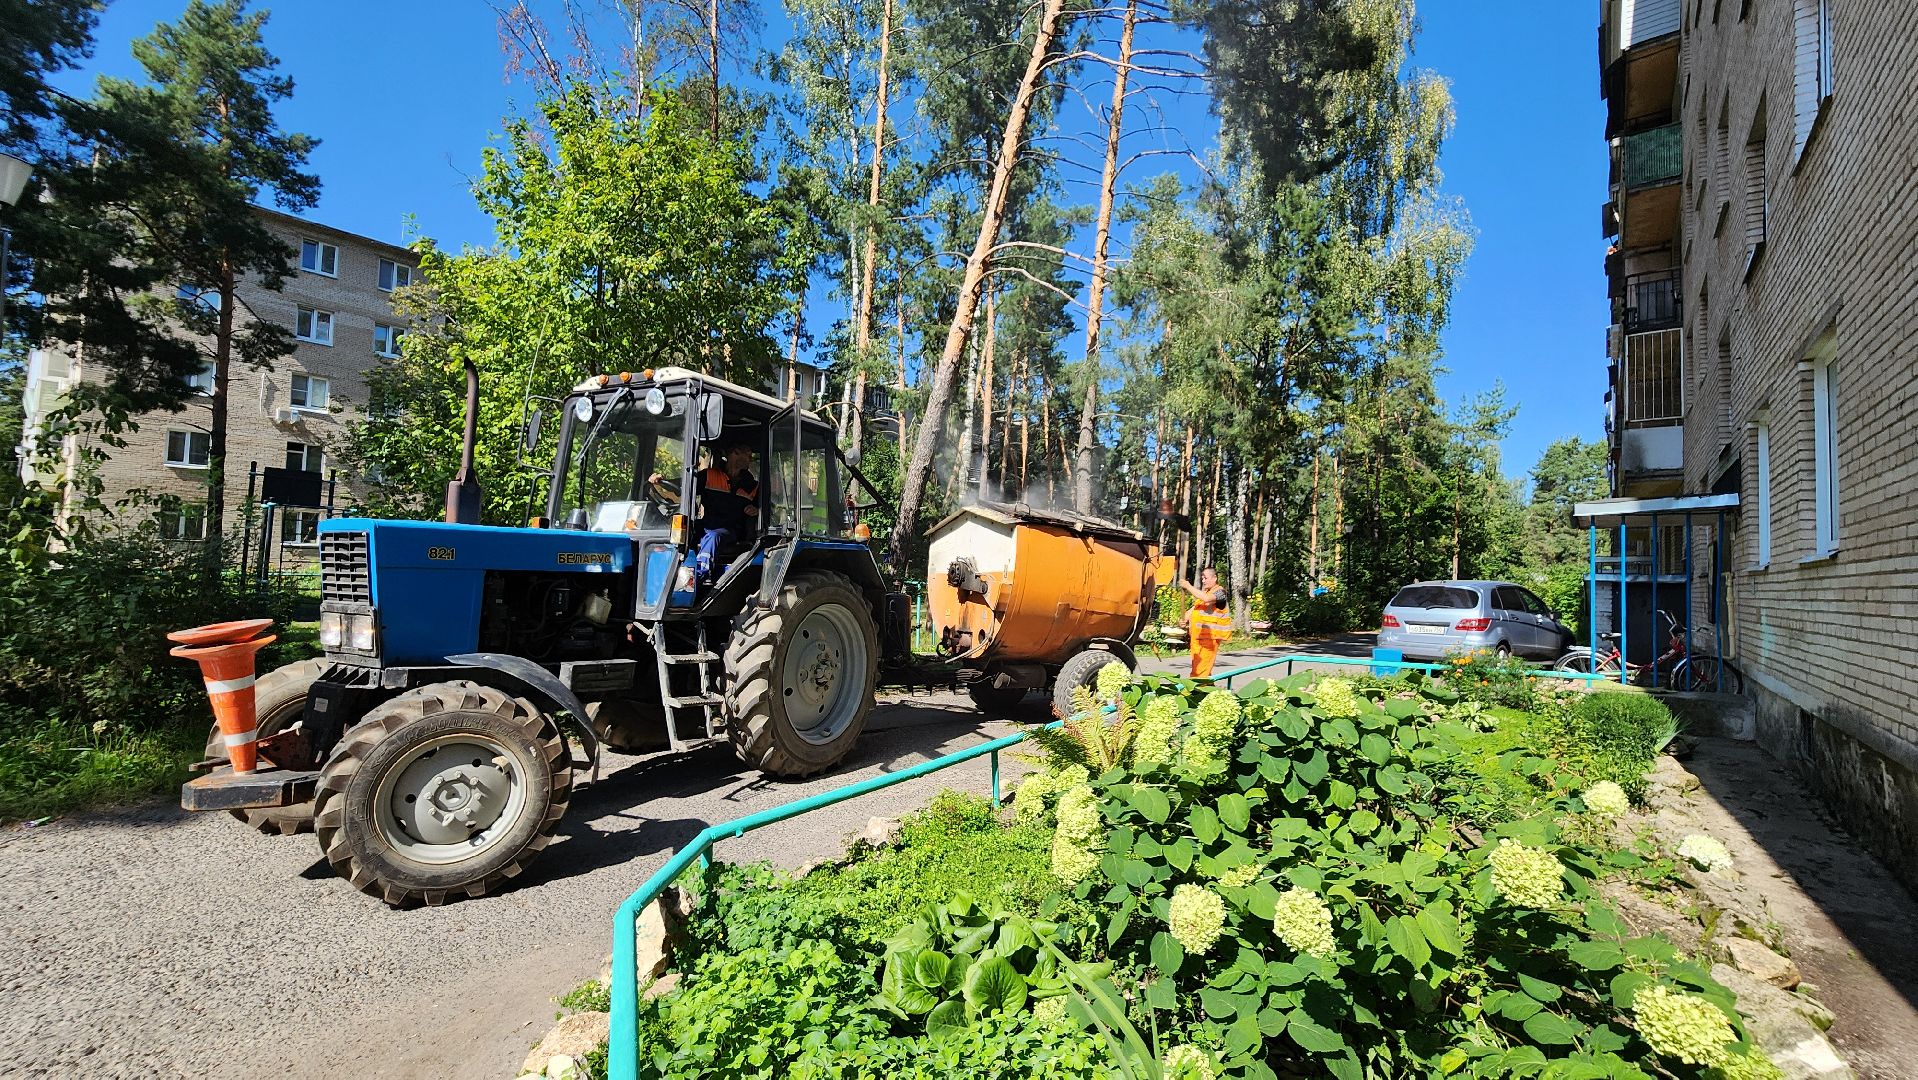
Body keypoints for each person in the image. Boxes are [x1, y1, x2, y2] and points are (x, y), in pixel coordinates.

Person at [654, 441, 758, 584]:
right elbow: (685, 485)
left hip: (732, 530)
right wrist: (661, 481)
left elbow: (765, 507)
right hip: (706, 524)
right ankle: (668, 574)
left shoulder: (752, 485)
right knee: (679, 531)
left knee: (713, 535)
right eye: (748, 455)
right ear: (735, 453)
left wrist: (756, 510)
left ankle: (699, 576)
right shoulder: (709, 476)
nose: (751, 459)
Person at [1178, 566, 1233, 678]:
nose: (1203, 581)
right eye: (1202, 578)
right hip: (1197, 640)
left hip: (1209, 641)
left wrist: (1188, 586)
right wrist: (1183, 622)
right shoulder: (1202, 597)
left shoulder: (1220, 593)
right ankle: (1210, 693)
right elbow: (1188, 614)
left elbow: (1207, 599)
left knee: (1199, 673)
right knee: (1200, 670)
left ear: (1214, 578)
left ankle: (1190, 693)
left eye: (1205, 578)